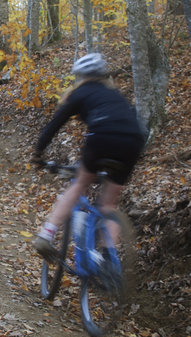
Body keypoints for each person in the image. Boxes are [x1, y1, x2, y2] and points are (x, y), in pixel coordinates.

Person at [30, 53, 145, 261]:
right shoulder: (115, 95)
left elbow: (54, 125)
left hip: (101, 137)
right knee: (108, 204)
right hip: (133, 141)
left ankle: (46, 235)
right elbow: (132, 120)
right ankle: (109, 260)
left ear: (80, 76)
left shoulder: (80, 93)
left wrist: (38, 153)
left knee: (80, 184)